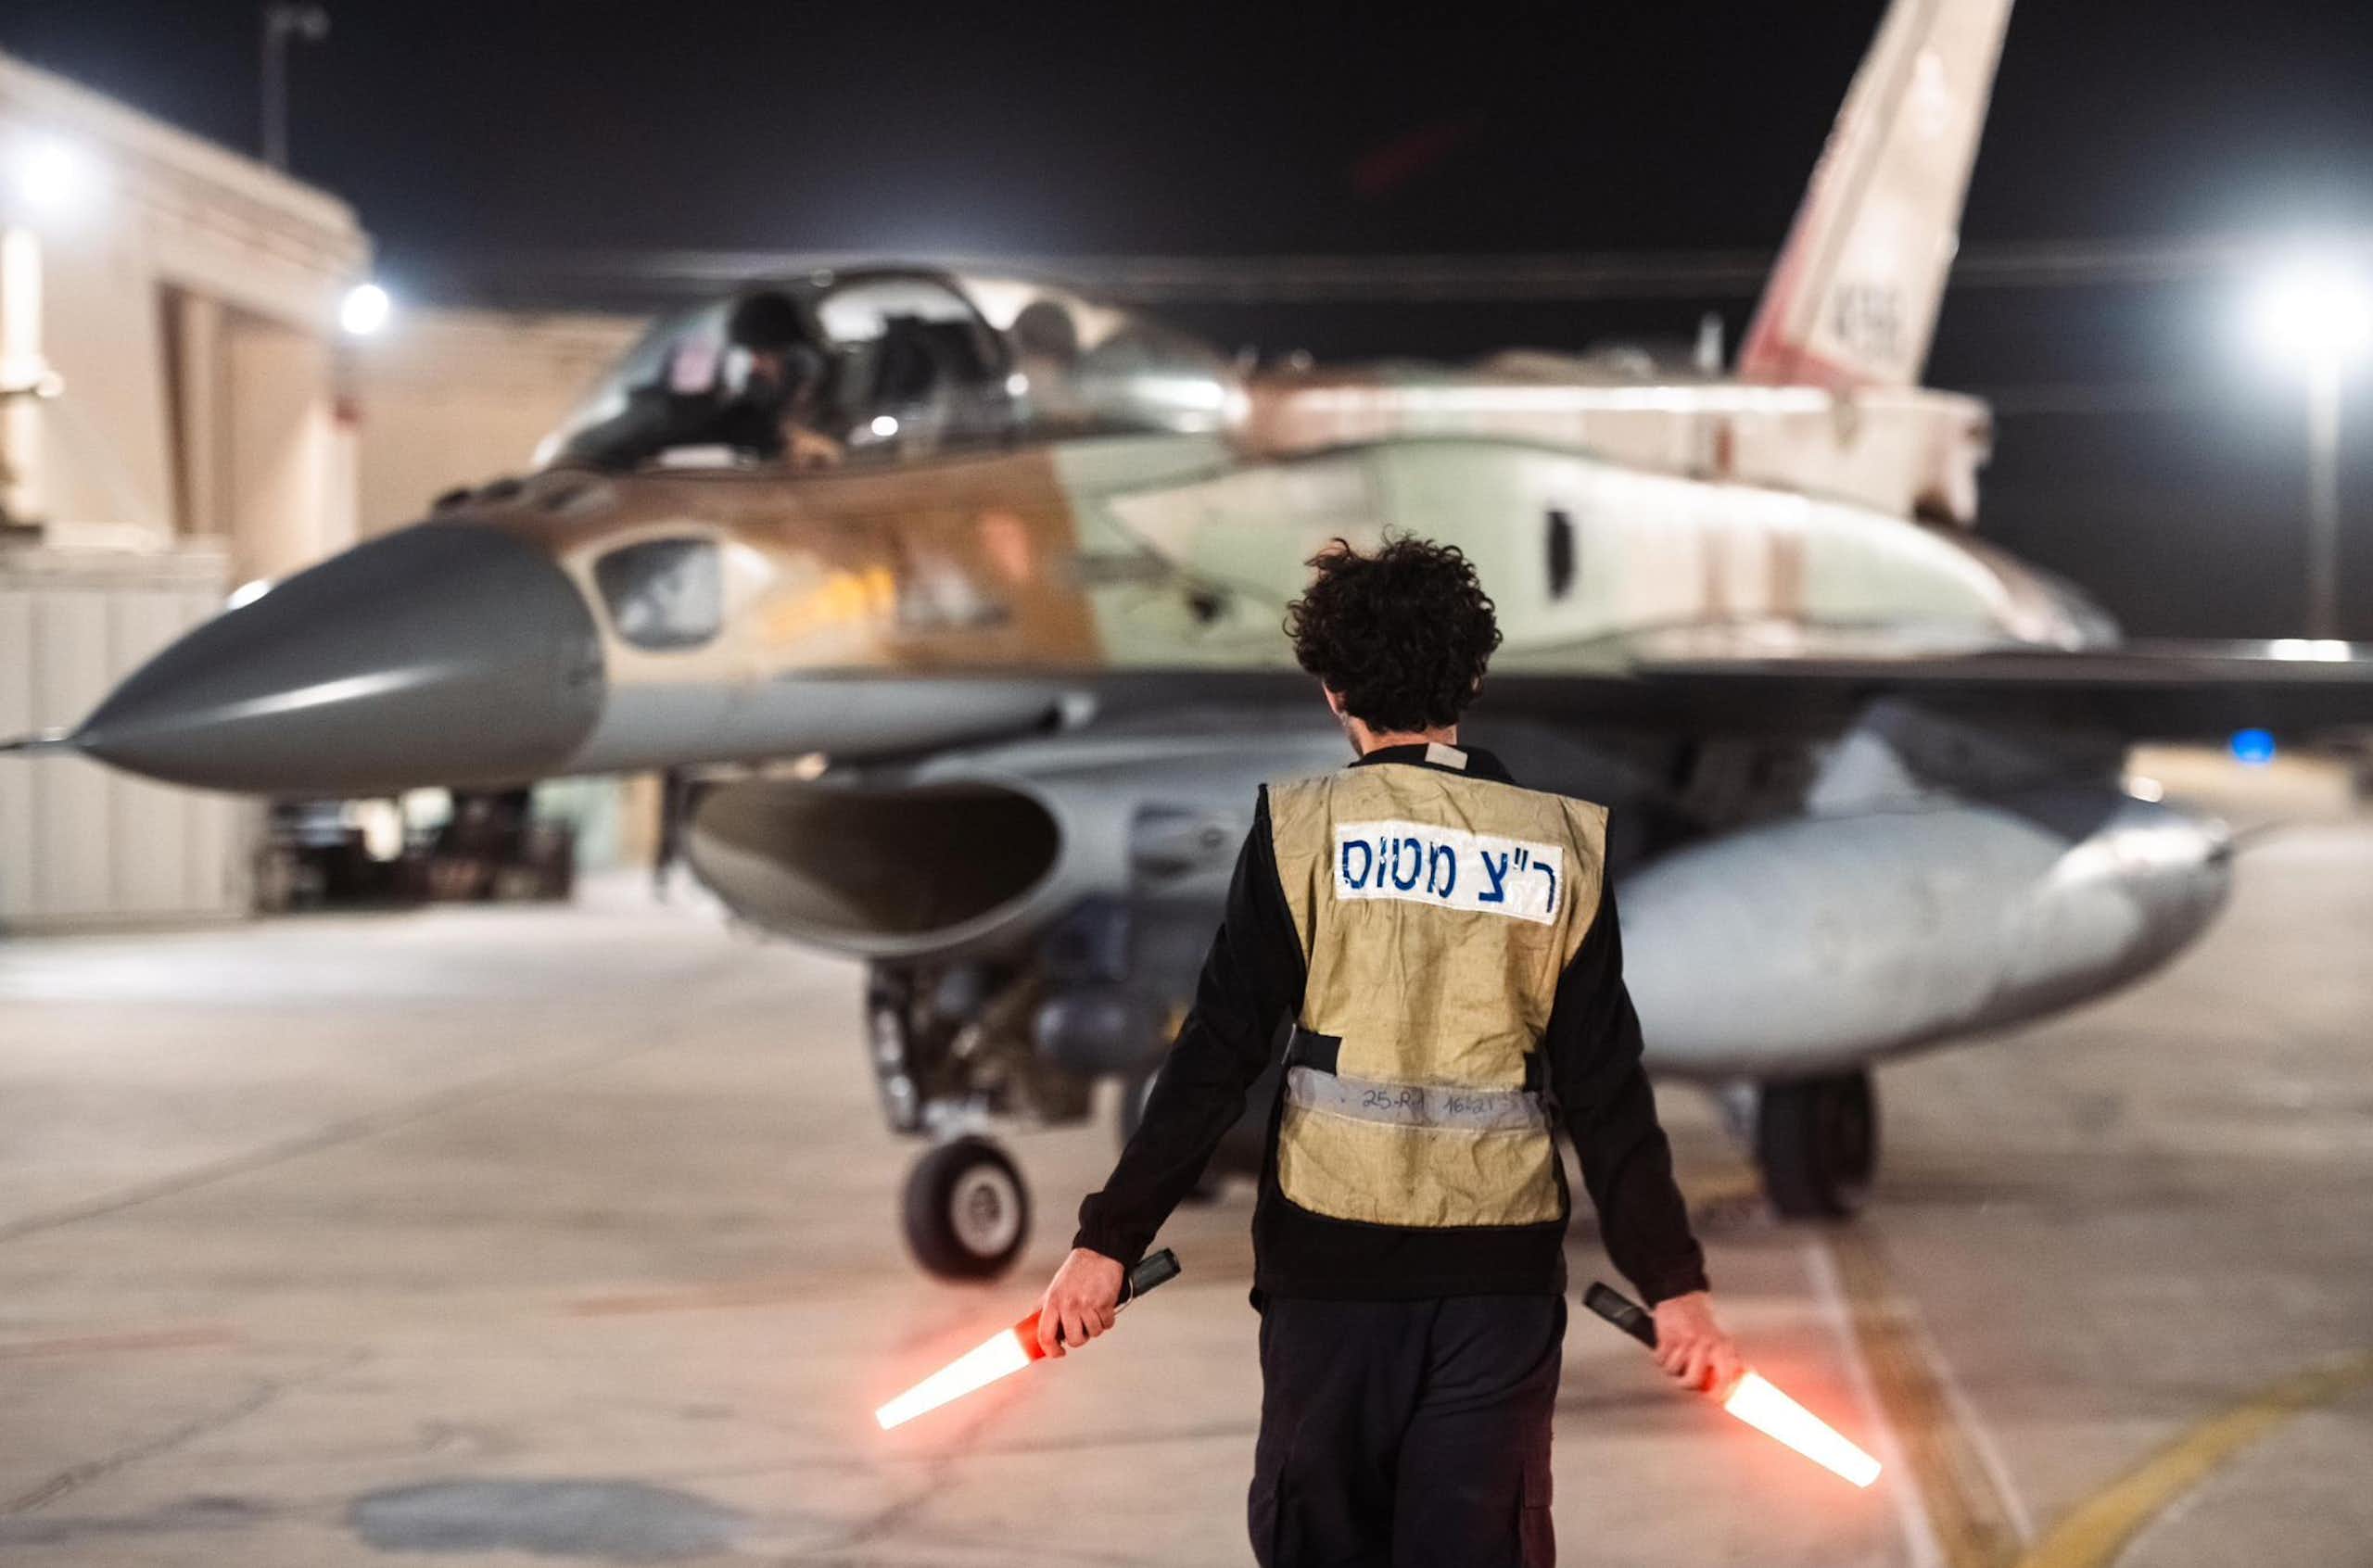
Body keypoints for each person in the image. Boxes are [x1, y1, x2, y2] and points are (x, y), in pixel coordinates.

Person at [1034, 535, 1742, 1567]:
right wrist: (1672, 1283)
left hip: (1330, 1284)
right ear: (1475, 676)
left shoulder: (1300, 832)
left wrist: (1109, 1242)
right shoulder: (1558, 846)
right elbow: (1605, 1090)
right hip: (1497, 1292)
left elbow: (1217, 1056)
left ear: (1331, 689)